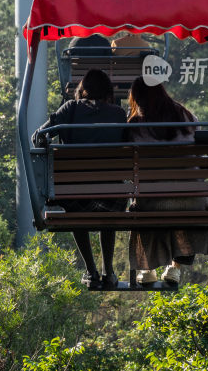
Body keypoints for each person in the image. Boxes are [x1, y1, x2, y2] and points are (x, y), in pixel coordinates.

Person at [126, 77, 208, 285]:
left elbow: (128, 167)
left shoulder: (135, 125)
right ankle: (175, 269)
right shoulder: (187, 115)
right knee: (185, 203)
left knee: (142, 206)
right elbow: (202, 162)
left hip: (153, 203)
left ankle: (147, 271)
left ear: (137, 98)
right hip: (194, 201)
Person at [33, 69, 127, 289]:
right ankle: (109, 271)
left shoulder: (70, 109)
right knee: (108, 212)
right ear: (107, 91)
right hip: (112, 198)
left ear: (83, 89)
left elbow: (38, 136)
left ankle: (91, 271)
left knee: (75, 208)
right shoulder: (118, 114)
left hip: (73, 196)